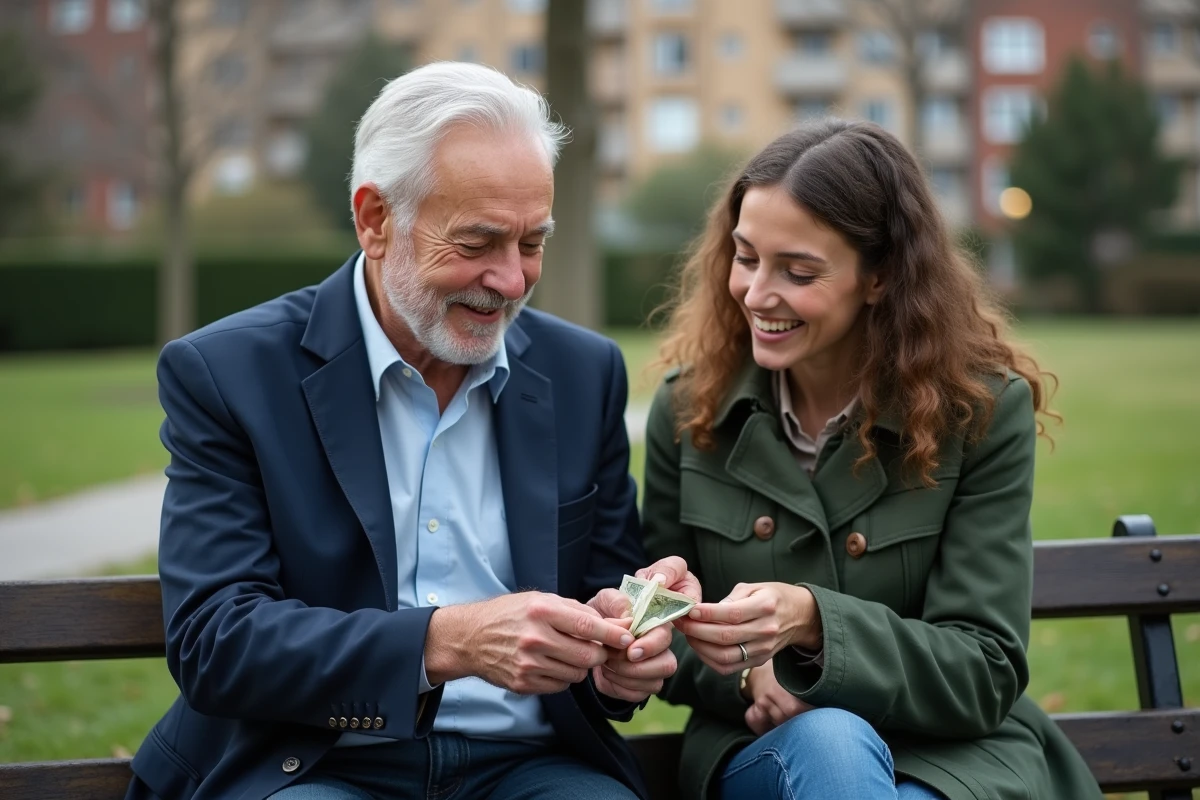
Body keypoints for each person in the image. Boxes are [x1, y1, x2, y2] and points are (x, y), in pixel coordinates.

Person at [125, 62, 697, 800]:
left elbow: (599, 602)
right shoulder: (229, 373)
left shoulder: (582, 373)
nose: (513, 281)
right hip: (312, 761)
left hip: (529, 766)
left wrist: (623, 651)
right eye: (478, 242)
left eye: (532, 242)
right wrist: (446, 641)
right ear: (374, 220)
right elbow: (217, 642)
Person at [640, 119, 1103, 800]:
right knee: (831, 744)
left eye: (798, 272)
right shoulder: (689, 410)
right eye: (744, 257)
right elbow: (667, 625)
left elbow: (985, 667)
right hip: (766, 748)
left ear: (881, 277)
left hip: (949, 760)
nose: (757, 294)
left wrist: (813, 626)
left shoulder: (978, 413)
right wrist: (748, 674)